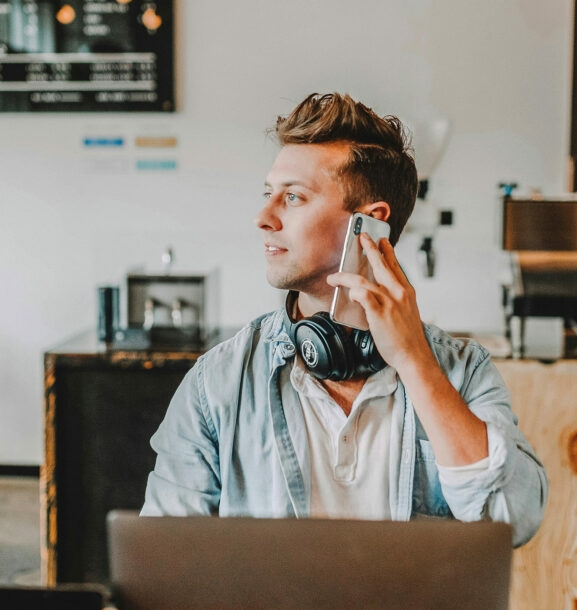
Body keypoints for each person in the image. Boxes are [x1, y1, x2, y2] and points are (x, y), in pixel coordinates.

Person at [142, 92, 547, 546]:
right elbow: (167, 553)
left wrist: (415, 362)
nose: (263, 217)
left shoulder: (463, 371)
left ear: (370, 224)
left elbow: (514, 519)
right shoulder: (218, 382)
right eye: (267, 194)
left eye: (293, 197)